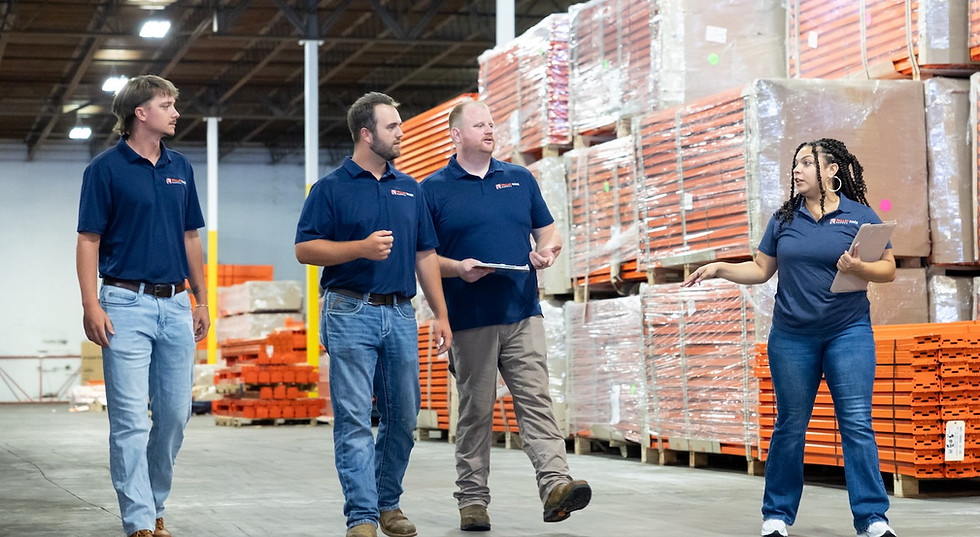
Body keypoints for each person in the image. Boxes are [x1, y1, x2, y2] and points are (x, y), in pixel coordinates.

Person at [681, 138, 897, 537]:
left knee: (856, 424)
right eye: (794, 165)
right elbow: (761, 269)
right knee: (790, 425)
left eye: (805, 164)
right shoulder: (784, 218)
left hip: (847, 332)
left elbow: (888, 270)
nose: (796, 171)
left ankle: (873, 519)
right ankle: (777, 516)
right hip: (792, 337)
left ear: (832, 171)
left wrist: (859, 266)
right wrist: (720, 268)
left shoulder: (859, 215)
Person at [420, 100, 591, 532]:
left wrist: (549, 250)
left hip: (522, 311)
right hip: (470, 317)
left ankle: (556, 485)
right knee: (476, 411)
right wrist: (458, 268)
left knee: (536, 401)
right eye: (479, 125)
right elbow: (421, 258)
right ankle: (472, 501)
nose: (489, 130)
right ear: (456, 134)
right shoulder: (433, 189)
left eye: (492, 124)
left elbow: (548, 231)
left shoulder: (519, 178)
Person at [295, 92, 452, 537]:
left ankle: (388, 504)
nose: (401, 132)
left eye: (400, 125)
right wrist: (359, 249)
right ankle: (362, 516)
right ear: (367, 134)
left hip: (401, 313)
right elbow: (306, 248)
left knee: (403, 416)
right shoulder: (330, 188)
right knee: (353, 419)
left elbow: (425, 254)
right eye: (392, 126)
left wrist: (440, 314)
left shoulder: (410, 188)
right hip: (349, 309)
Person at [76, 74, 210, 537]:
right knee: (130, 420)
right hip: (124, 303)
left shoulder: (181, 168)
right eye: (167, 104)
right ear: (141, 113)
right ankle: (139, 520)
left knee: (174, 415)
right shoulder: (104, 169)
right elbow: (88, 239)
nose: (176, 112)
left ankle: (153, 503)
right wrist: (91, 303)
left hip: (175, 304)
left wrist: (202, 298)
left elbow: (192, 236)